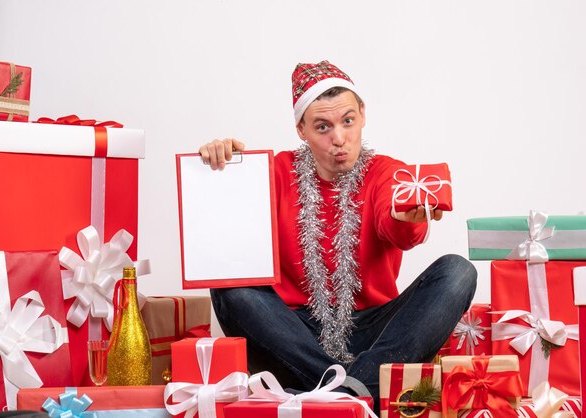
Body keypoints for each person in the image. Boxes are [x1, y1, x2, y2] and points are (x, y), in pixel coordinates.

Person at [199, 60, 477, 404]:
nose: (339, 139)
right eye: (322, 127)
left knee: (458, 271)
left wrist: (406, 218)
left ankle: (338, 394)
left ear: (362, 113)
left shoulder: (385, 172)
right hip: (291, 335)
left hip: (373, 335)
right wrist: (223, 171)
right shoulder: (273, 172)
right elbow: (227, 226)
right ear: (302, 130)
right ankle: (358, 391)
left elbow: (396, 226)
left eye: (347, 121)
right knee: (229, 285)